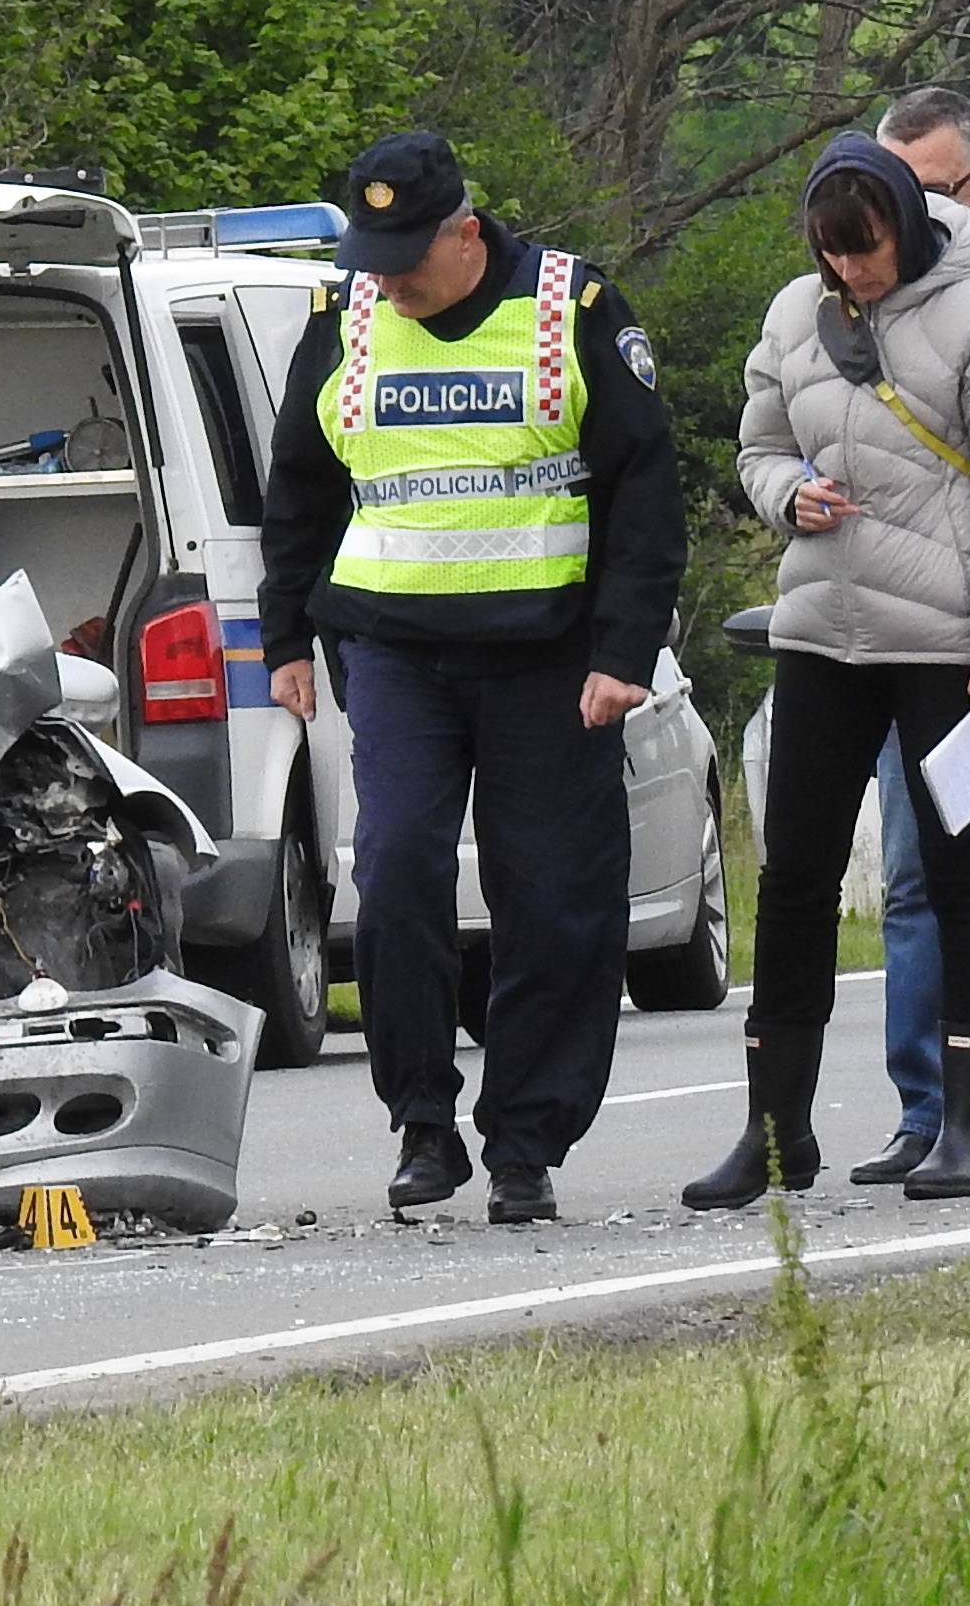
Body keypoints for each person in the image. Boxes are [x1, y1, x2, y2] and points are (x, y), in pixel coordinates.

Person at [259, 130, 686, 1226]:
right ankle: (423, 1121)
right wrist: (284, 640)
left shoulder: (571, 309)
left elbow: (644, 490)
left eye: (406, 258)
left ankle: (526, 1142)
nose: (388, 283)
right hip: (393, 651)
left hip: (551, 661)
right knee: (396, 868)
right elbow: (300, 487)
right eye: (373, 259)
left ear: (465, 228)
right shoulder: (344, 317)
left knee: (550, 902)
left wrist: (623, 654)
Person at [684, 131, 970, 1209]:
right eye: (832, 252)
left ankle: (959, 1120)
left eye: (869, 248)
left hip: (948, 644)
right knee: (795, 875)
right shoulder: (793, 315)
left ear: (904, 218)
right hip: (822, 630)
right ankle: (775, 1130)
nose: (853, 270)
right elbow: (758, 444)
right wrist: (783, 496)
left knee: (958, 878)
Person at [848, 87, 970, 1182]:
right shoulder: (848, 309)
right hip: (918, 636)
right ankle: (928, 1113)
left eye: (939, 190)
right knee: (917, 876)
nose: (916, 214)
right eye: (900, 192)